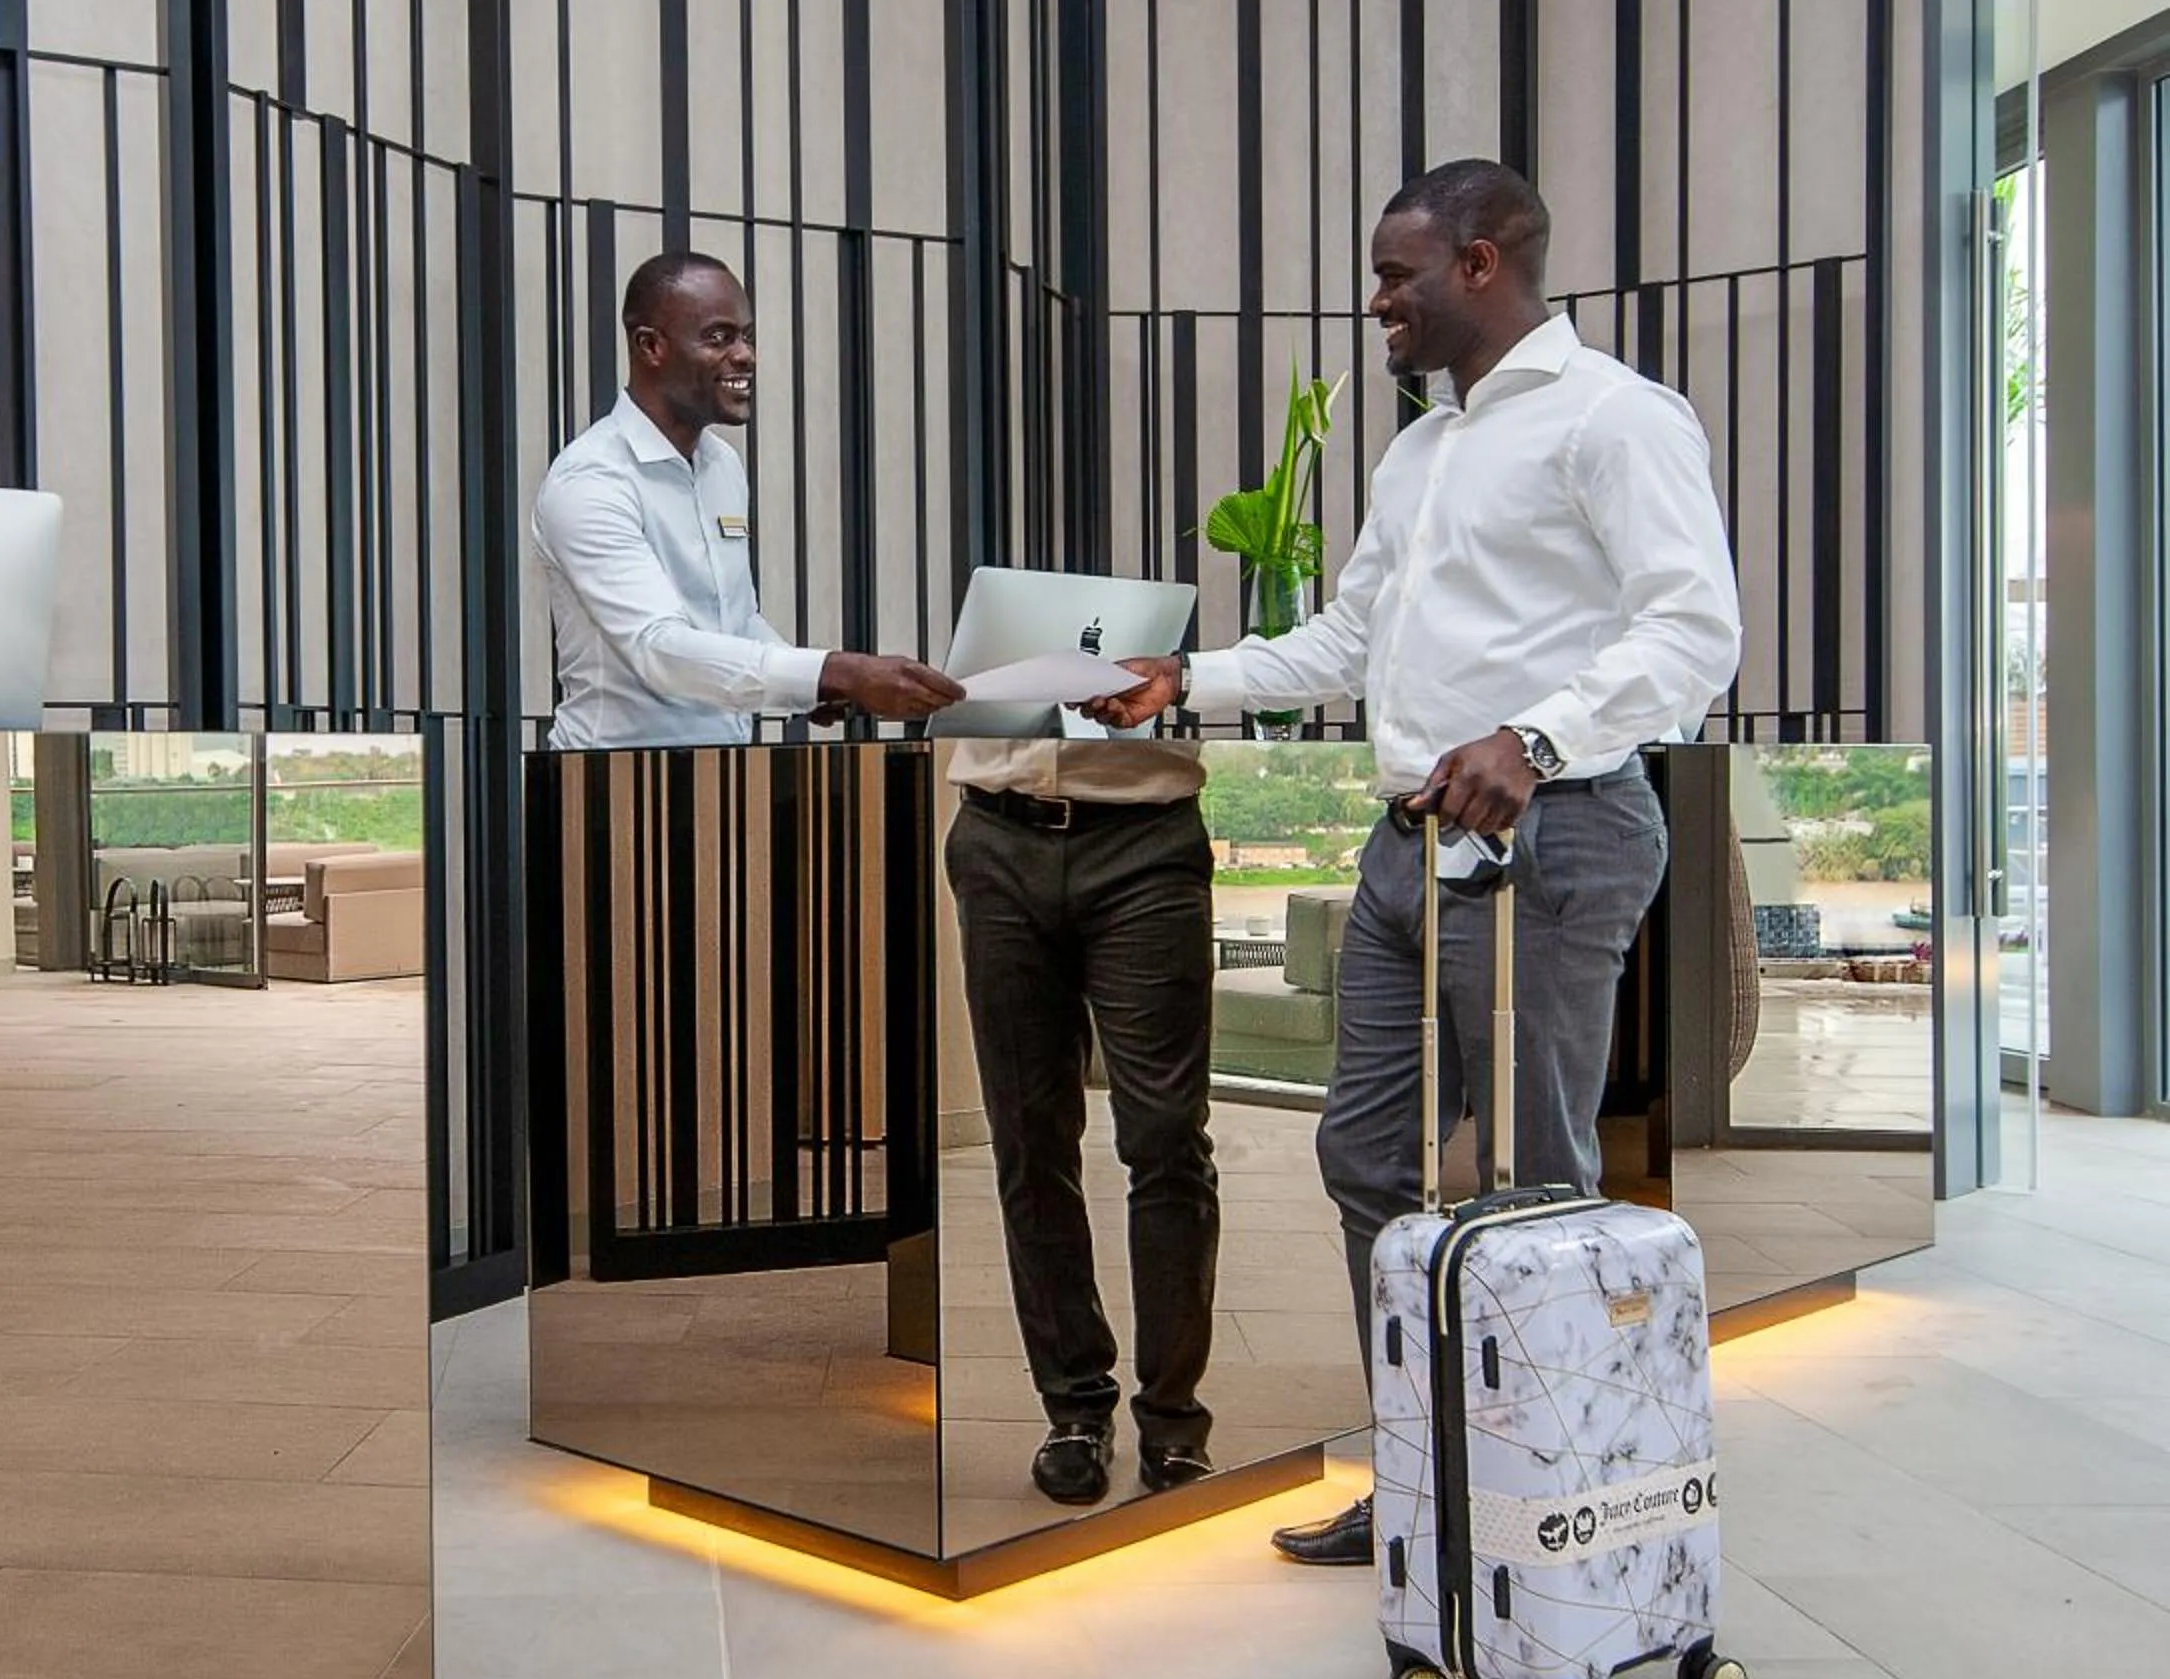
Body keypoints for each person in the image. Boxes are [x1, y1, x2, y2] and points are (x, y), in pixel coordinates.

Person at [1084, 158, 1743, 1567]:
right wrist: (1182, 678)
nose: (1378, 300)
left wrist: (1538, 737)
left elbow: (1694, 631)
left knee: (1534, 1183)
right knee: (1366, 1155)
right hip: (1407, 850)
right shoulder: (1422, 448)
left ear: (1484, 262)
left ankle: (1558, 1520)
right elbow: (1345, 639)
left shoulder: (1614, 419)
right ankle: (1428, 1477)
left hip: (1554, 839)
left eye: (1398, 275)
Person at [946, 721, 1220, 1506]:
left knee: (1165, 1135)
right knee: (1029, 1139)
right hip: (997, 835)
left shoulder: (1170, 585)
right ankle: (1073, 1408)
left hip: (1147, 840)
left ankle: (1171, 1416)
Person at [531, 252, 960, 748]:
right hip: (609, 786)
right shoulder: (591, 481)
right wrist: (835, 672)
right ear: (650, 346)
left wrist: (816, 687)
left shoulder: (722, 467)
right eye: (719, 338)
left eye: (748, 336)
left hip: (724, 775)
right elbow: (659, 650)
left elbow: (735, 621)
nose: (746, 356)